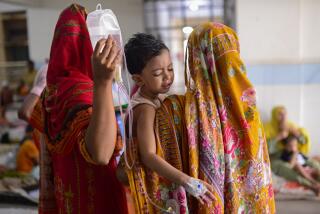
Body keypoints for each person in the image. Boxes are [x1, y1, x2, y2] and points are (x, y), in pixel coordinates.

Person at [29, 4, 127, 214]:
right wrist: (103, 82)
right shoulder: (83, 91)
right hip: (98, 199)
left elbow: (41, 139)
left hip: (69, 198)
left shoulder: (51, 92)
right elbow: (101, 154)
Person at [122, 33, 215, 213]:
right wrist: (186, 180)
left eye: (170, 69)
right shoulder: (145, 108)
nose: (167, 77)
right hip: (150, 189)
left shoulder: (159, 99)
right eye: (158, 73)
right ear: (138, 79)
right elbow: (148, 155)